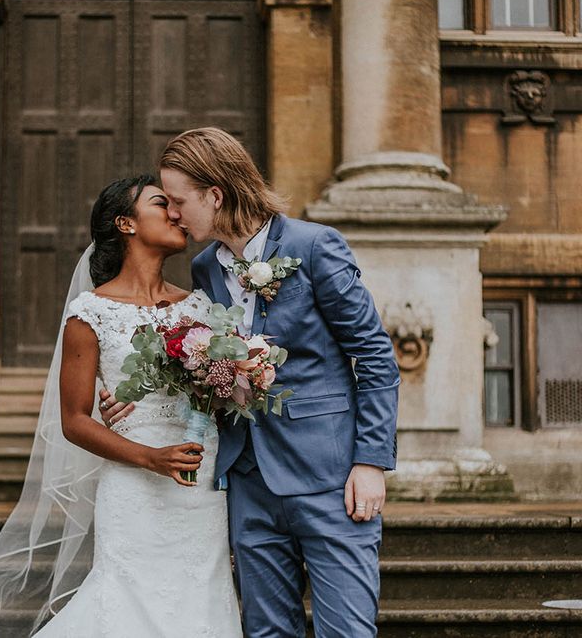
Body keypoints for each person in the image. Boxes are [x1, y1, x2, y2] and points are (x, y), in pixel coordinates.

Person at [100, 128, 400, 637]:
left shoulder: (314, 246)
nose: (173, 214)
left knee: (346, 632)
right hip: (247, 481)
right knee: (265, 632)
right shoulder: (204, 269)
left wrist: (370, 461)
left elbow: (373, 355)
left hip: (329, 477)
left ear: (214, 195)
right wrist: (133, 397)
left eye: (177, 201)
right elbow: (211, 366)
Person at [0, 175, 242, 637]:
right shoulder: (90, 313)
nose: (176, 213)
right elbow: (74, 421)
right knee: (126, 601)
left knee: (200, 598)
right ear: (126, 223)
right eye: (162, 204)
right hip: (135, 484)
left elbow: (221, 397)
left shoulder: (201, 307)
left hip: (201, 483)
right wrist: (149, 457)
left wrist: (238, 382)